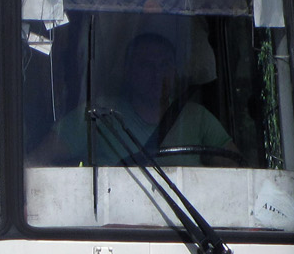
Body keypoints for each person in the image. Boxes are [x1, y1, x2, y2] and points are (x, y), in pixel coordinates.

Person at [42, 31, 236, 166]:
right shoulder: (98, 115)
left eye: (165, 65)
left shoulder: (197, 118)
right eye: (146, 65)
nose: (157, 74)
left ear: (175, 72)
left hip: (188, 224)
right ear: (128, 71)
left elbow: (236, 174)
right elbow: (39, 161)